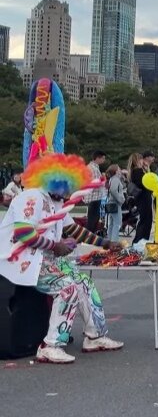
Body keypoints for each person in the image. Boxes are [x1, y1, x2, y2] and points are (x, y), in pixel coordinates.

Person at [0, 153, 124, 363]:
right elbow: (24, 233)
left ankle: (95, 336)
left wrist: (105, 243)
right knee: (67, 288)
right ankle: (50, 345)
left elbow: (74, 229)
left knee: (84, 282)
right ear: (53, 180)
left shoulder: (56, 202)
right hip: (22, 263)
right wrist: (54, 246)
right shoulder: (31, 197)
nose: (70, 191)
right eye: (66, 185)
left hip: (45, 261)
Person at [129, 151, 155, 243]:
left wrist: (147, 169)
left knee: (148, 219)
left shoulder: (140, 171)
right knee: (144, 220)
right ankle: (138, 240)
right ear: (137, 161)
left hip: (146, 197)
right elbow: (144, 183)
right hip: (143, 198)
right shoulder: (137, 171)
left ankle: (144, 239)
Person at [85, 151, 107, 233]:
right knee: (93, 218)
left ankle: (91, 235)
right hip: (94, 196)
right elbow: (94, 183)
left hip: (95, 196)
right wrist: (103, 180)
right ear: (97, 158)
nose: (104, 160)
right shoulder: (92, 168)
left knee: (94, 217)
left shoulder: (93, 167)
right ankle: (89, 236)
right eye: (103, 158)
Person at [104, 164, 125, 243]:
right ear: (116, 171)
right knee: (117, 223)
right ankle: (114, 241)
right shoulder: (115, 179)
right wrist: (121, 199)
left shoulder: (111, 179)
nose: (120, 170)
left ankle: (109, 240)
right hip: (115, 203)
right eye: (119, 169)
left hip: (111, 203)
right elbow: (113, 190)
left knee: (112, 223)